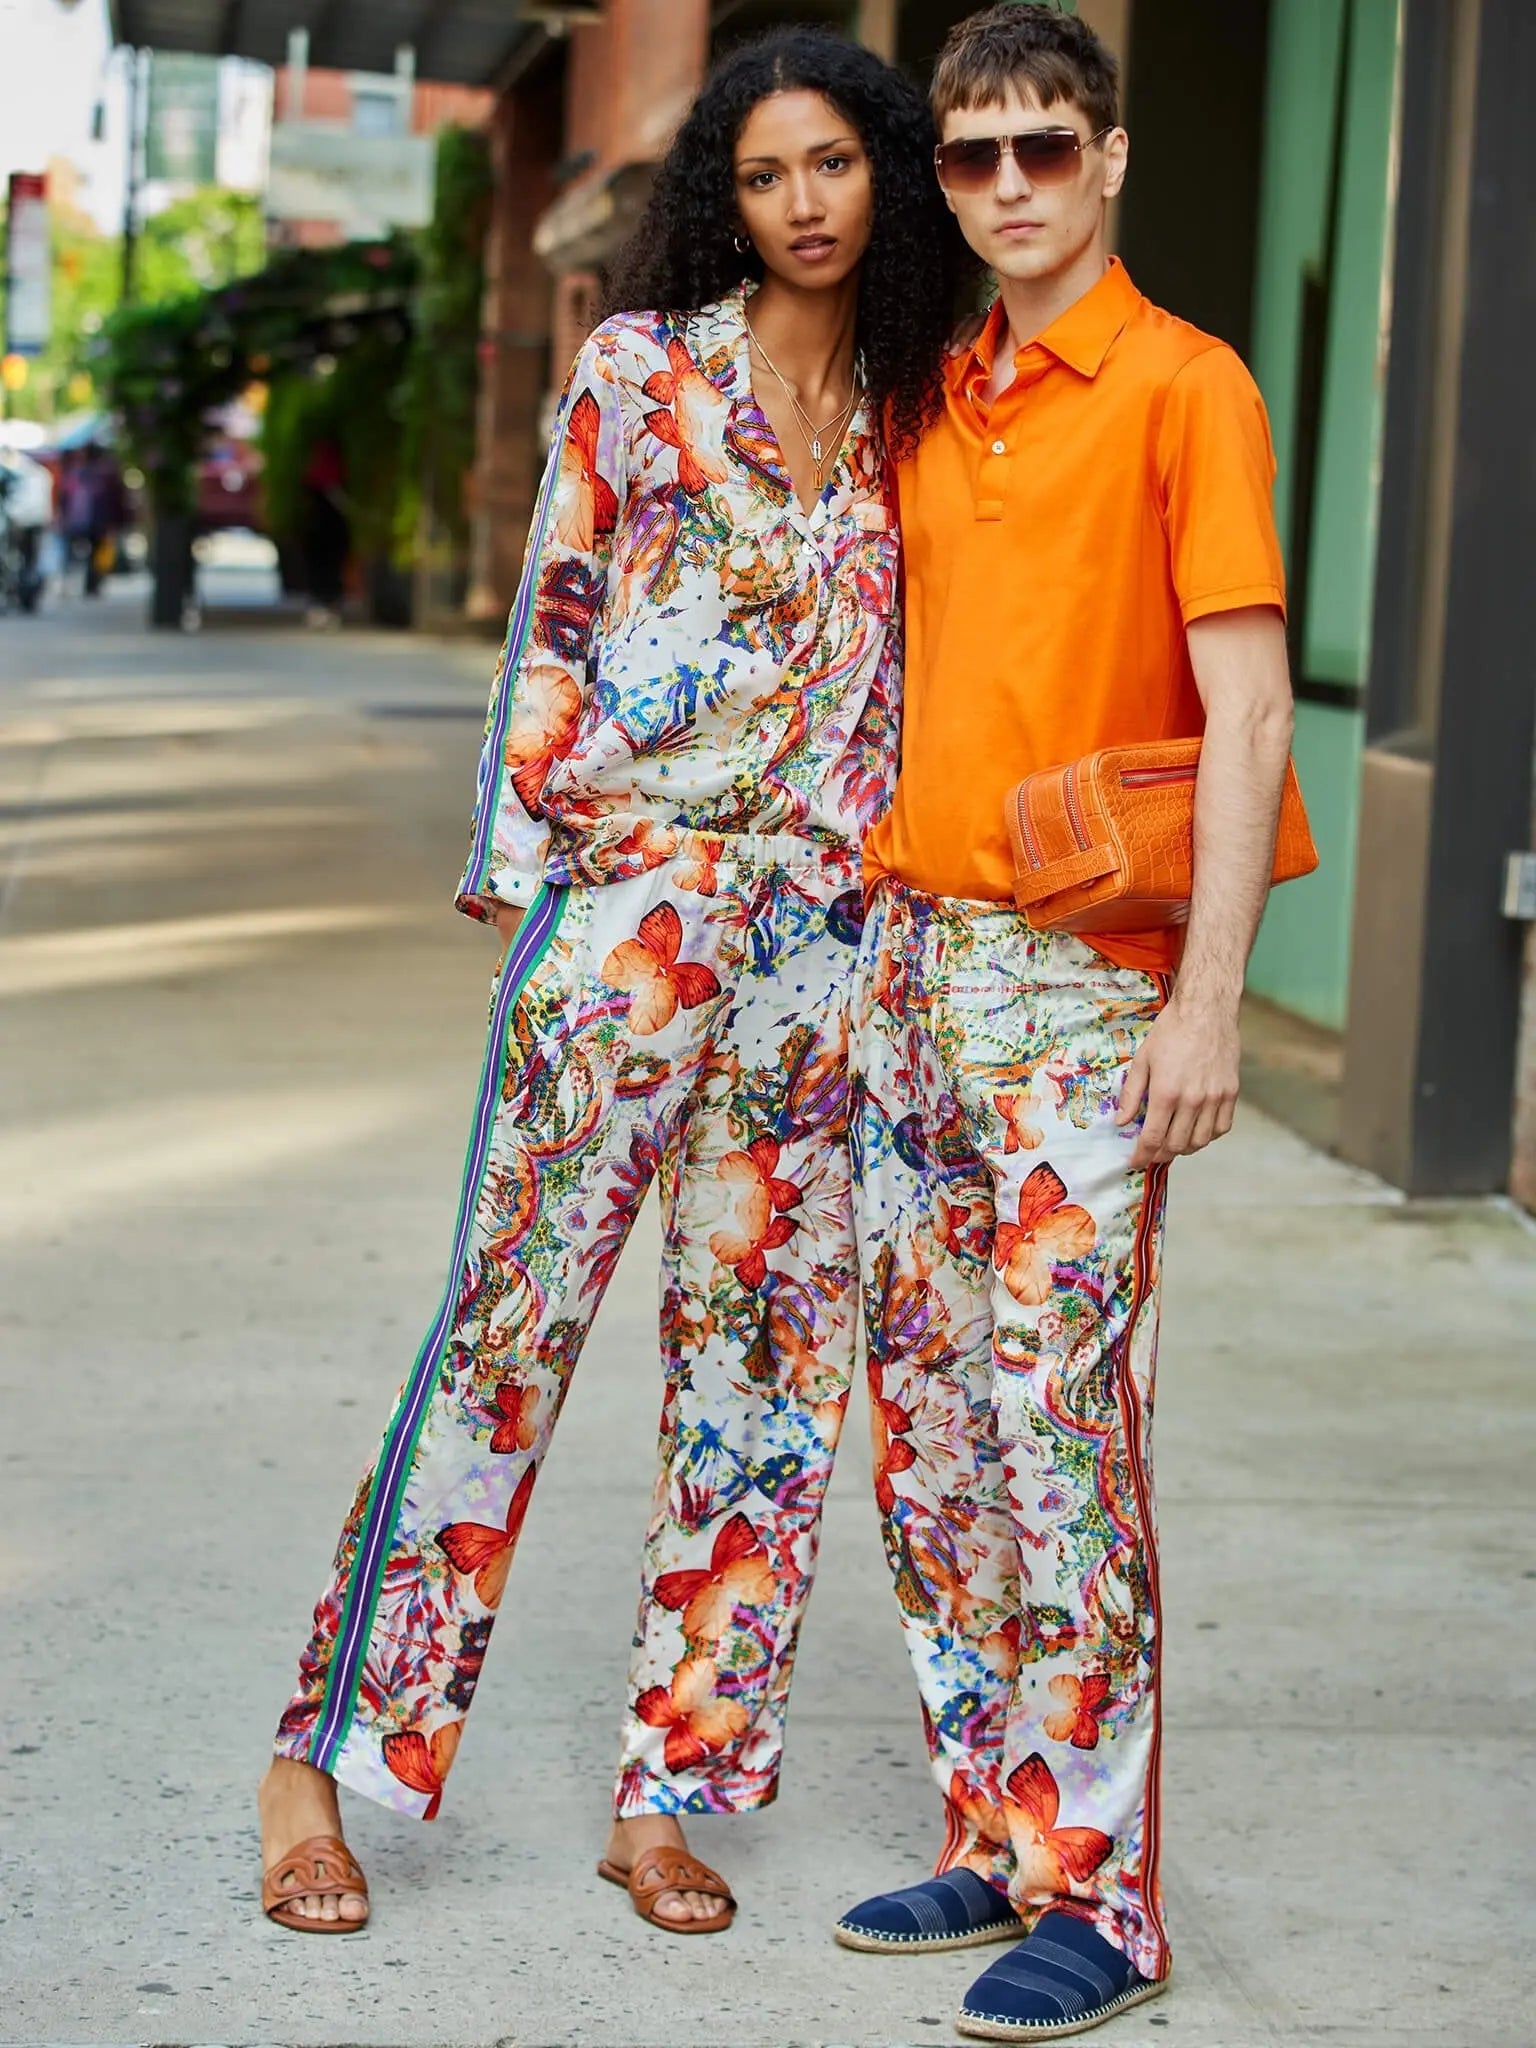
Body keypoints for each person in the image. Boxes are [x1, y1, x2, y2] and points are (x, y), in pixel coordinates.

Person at [258, 27, 964, 1940]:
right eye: (764, 174)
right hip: (631, 924)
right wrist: (526, 871)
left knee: (761, 1378)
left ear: (891, 174)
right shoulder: (647, 373)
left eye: (836, 166)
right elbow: (556, 607)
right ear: (719, 198)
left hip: (820, 959)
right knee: (504, 1334)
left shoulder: (930, 411)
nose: (806, 204)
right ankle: (321, 1756)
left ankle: (669, 1789)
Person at [836, 6, 1294, 2038]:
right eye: (971, 156)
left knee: (1061, 1432)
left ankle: (1110, 1897)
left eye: (1044, 146)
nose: (1007, 184)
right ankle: (1005, 1828)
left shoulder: (1191, 388)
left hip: (1085, 982)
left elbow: (1253, 704)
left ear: (1113, 158)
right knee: (934, 1431)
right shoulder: (934, 392)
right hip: (911, 970)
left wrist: (1208, 1004)